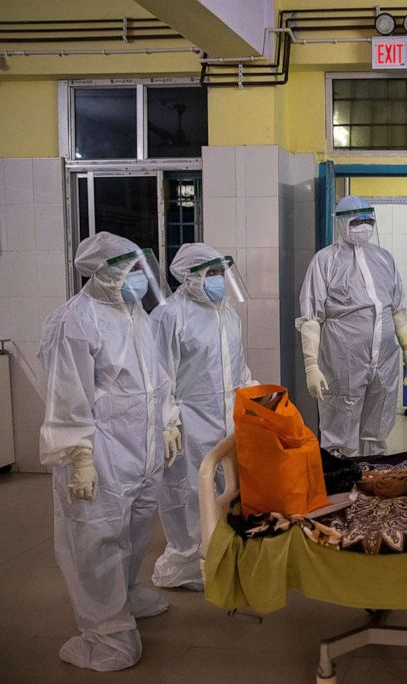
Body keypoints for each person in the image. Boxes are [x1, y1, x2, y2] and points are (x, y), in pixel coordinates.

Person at [38, 232, 179, 671]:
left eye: (142, 268)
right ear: (102, 272)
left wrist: (169, 420)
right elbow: (66, 396)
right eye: (130, 269)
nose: (139, 278)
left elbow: (156, 379)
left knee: (136, 526)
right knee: (97, 536)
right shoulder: (74, 321)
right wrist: (78, 456)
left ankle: (126, 592)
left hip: (142, 449)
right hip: (99, 456)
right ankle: (103, 630)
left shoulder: (135, 313)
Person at [150, 243, 254, 591]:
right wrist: (167, 421)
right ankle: (187, 560)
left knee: (227, 488)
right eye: (209, 274)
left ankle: (221, 551)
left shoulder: (227, 313)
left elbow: (237, 367)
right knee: (189, 489)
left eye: (220, 273)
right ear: (189, 277)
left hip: (227, 415)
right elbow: (159, 376)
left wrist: (252, 396)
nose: (218, 280)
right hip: (189, 420)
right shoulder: (170, 316)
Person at [297, 195, 407, 458]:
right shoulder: (324, 261)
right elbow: (310, 318)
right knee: (341, 428)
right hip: (343, 361)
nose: (363, 226)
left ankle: (372, 482)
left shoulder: (385, 259)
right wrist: (311, 365)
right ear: (342, 224)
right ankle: (342, 487)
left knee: (378, 427)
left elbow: (396, 309)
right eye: (356, 221)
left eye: (367, 220)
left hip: (384, 360)